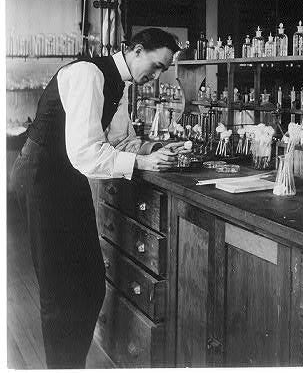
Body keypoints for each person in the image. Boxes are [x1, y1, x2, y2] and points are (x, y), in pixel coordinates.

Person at [10, 27, 187, 368]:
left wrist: (157, 149)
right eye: (157, 65)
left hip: (67, 179)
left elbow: (119, 142)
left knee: (91, 286)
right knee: (60, 292)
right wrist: (140, 162)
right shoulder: (89, 74)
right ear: (136, 50)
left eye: (163, 70)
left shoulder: (118, 84)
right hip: (43, 179)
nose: (156, 76)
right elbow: (85, 152)